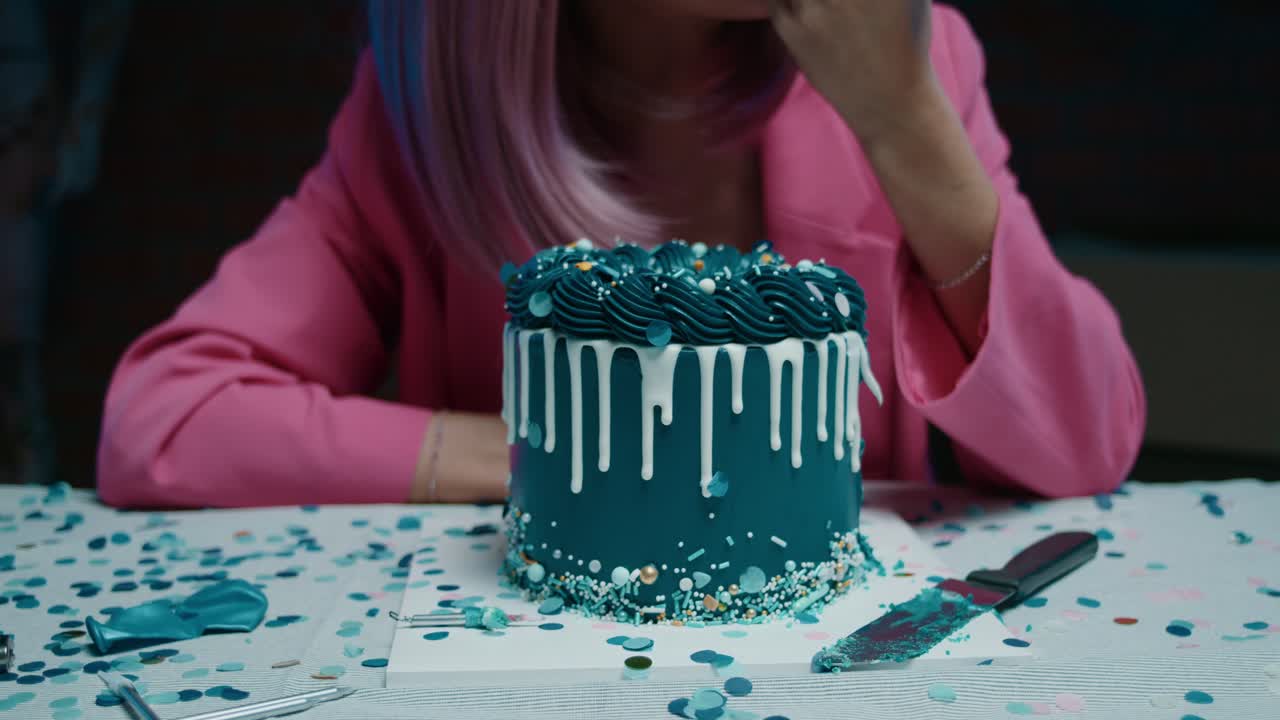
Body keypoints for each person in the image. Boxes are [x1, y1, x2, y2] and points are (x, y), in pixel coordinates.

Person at [97, 0, 1145, 508]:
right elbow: (165, 418)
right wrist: (535, 455)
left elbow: (1084, 442)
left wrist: (907, 121)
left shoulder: (920, 66)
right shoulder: (425, 110)